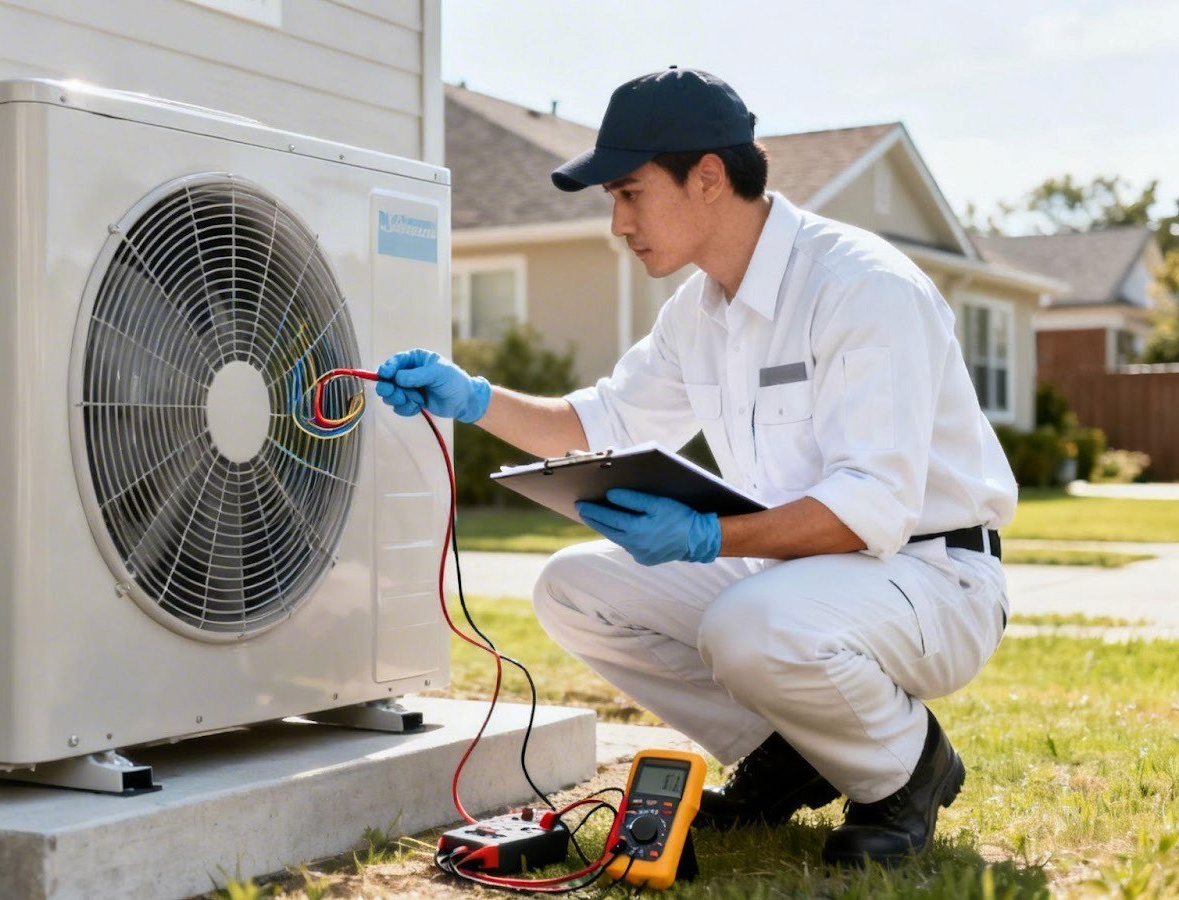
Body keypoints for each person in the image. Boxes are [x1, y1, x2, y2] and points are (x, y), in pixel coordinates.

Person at [376, 67, 1013, 867]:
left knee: (748, 624)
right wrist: (470, 398)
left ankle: (906, 769)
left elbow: (871, 509)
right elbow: (597, 423)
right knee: (575, 587)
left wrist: (708, 535)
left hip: (930, 574)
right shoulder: (701, 310)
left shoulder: (861, 287)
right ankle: (796, 753)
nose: (617, 222)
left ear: (708, 177)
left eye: (630, 192)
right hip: (799, 577)